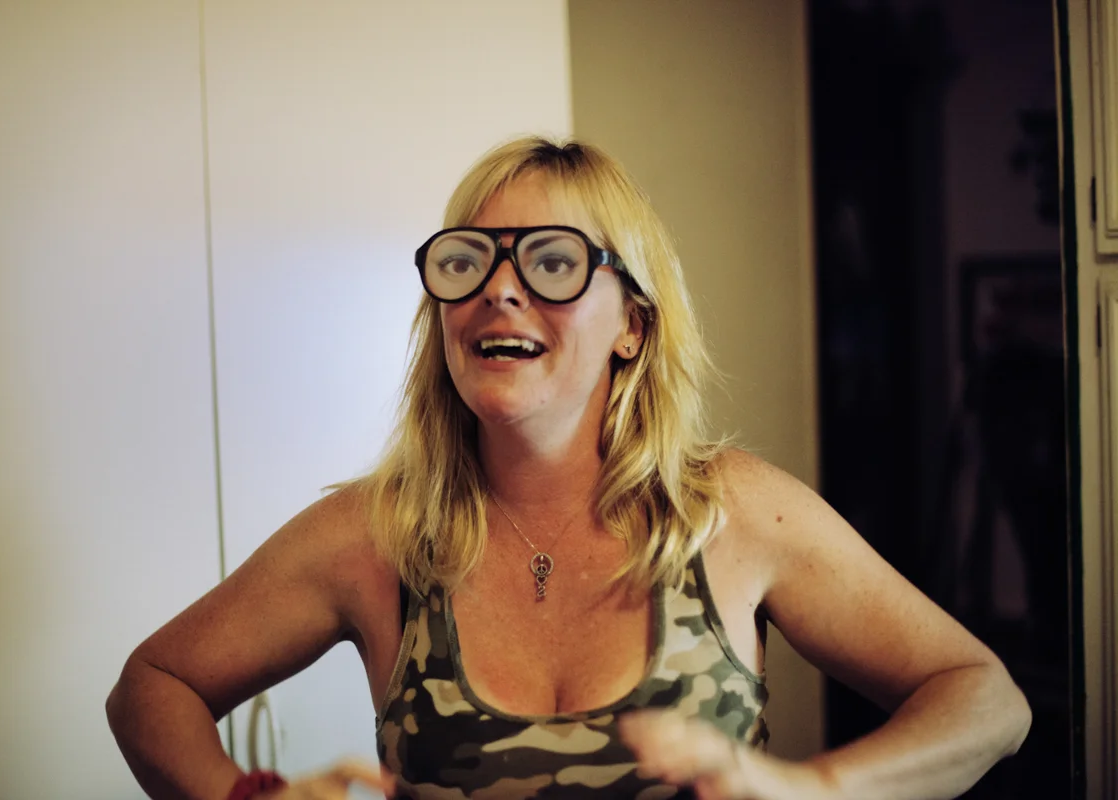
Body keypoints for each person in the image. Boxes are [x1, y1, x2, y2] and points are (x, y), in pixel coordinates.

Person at [107, 137, 1031, 800]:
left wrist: (812, 789)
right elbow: (153, 686)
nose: (499, 289)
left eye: (552, 262)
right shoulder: (376, 535)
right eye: (468, 263)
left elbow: (986, 699)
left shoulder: (732, 512)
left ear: (632, 323)